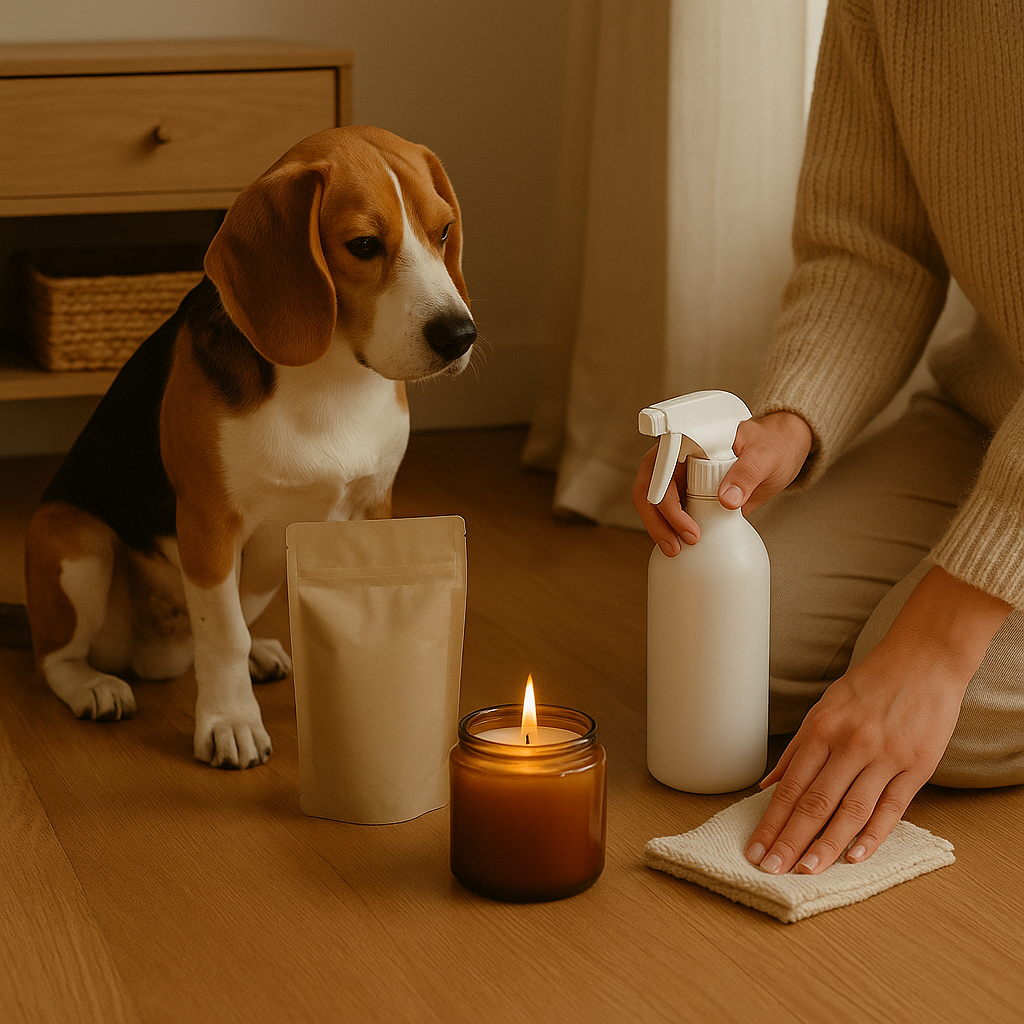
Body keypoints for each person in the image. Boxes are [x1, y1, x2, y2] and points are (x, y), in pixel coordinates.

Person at [634, 0, 1024, 876]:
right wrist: (785, 424)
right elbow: (870, 249)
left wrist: (934, 644)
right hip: (993, 409)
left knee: (956, 721)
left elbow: (927, 660)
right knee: (739, 648)